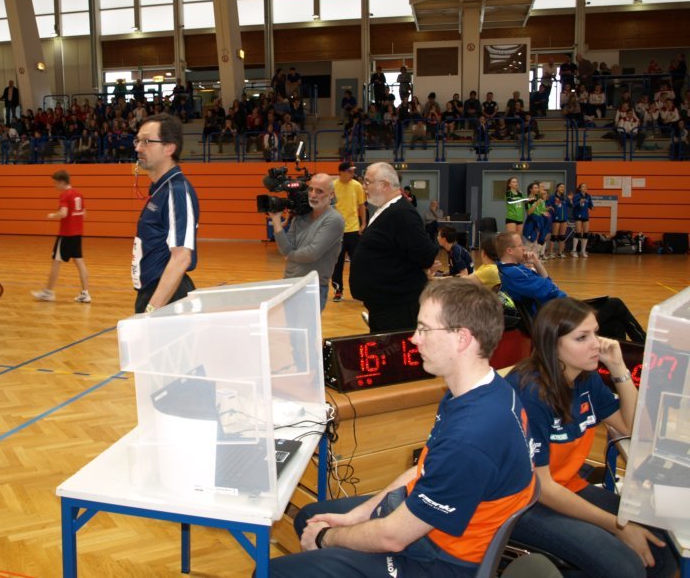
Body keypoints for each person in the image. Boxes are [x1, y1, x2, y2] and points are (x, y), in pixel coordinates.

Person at [269, 278, 535, 578]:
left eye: (424, 329)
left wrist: (325, 538)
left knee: (274, 571)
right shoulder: (485, 391)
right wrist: (357, 516)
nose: (414, 339)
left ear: (462, 338)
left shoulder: (470, 436)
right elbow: (423, 469)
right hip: (434, 528)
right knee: (310, 516)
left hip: (440, 561)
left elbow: (393, 537)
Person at [506, 298, 678, 578]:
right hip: (523, 503)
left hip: (565, 487)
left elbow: (632, 428)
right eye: (582, 337)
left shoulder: (585, 377)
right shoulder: (530, 393)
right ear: (552, 344)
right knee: (625, 567)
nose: (596, 344)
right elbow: (542, 488)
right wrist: (617, 526)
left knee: (662, 547)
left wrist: (619, 369)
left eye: (596, 333)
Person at [495, 231, 646, 342]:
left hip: (557, 311)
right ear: (510, 250)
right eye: (520, 245)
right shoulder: (515, 273)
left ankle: (619, 361)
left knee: (615, 325)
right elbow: (551, 288)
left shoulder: (510, 269)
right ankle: (644, 347)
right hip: (559, 318)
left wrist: (536, 263)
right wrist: (544, 278)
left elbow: (548, 283)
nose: (524, 248)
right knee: (615, 304)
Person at [349, 162, 438, 333]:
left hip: (397, 306)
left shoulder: (401, 213)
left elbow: (425, 254)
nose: (363, 186)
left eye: (367, 182)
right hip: (385, 303)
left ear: (384, 185)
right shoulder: (388, 210)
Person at [132, 114, 199, 314]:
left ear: (169, 148)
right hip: (154, 292)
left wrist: (152, 309)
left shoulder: (176, 191)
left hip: (168, 297)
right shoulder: (160, 190)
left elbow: (182, 258)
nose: (138, 148)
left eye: (146, 141)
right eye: (137, 141)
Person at [269, 174, 344, 310]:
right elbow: (285, 249)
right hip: (289, 283)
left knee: (306, 325)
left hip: (312, 287)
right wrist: (276, 220)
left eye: (319, 191)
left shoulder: (334, 219)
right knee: (289, 325)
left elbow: (312, 253)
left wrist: (290, 255)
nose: (313, 195)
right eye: (310, 189)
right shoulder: (300, 217)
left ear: (331, 195)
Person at [31, 170, 92, 303]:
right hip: (77, 234)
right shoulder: (78, 195)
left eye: (55, 183)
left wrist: (52, 215)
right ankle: (85, 294)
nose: (55, 186)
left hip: (66, 234)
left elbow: (63, 213)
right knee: (80, 262)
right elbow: (84, 214)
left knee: (56, 262)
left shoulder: (65, 195)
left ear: (62, 182)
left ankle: (48, 293)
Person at [330, 162, 366, 303]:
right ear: (342, 172)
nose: (352, 174)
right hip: (336, 231)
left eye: (352, 172)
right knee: (337, 263)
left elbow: (361, 205)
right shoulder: (333, 186)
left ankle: (359, 291)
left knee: (357, 263)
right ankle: (338, 291)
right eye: (350, 171)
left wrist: (363, 223)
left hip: (353, 230)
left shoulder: (357, 186)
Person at [546, 183, 570, 259]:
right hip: (555, 219)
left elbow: (571, 205)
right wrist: (555, 203)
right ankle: (550, 253)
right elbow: (548, 206)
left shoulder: (565, 198)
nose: (562, 188)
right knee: (554, 236)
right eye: (561, 187)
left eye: (563, 187)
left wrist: (571, 200)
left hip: (564, 219)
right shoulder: (552, 197)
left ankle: (560, 253)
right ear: (557, 188)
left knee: (562, 236)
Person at [571, 183, 594, 258]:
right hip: (578, 215)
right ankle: (574, 250)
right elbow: (573, 205)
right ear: (580, 188)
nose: (584, 188)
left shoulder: (588, 196)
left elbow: (590, 205)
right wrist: (579, 202)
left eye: (586, 186)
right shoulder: (577, 196)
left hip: (585, 216)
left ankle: (583, 250)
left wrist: (592, 207)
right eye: (583, 186)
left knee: (586, 233)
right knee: (578, 233)